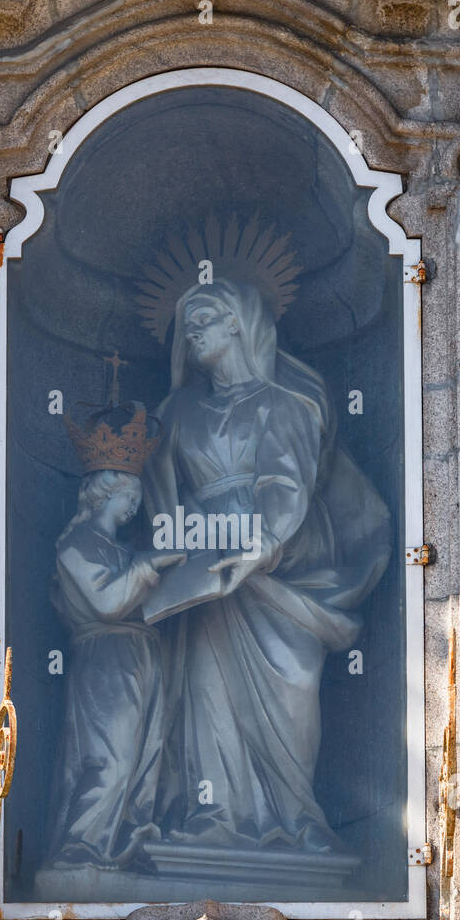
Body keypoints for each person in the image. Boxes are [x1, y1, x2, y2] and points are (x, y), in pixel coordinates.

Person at [142, 279, 390, 852]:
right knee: (206, 692)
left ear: (240, 323)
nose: (192, 332)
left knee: (292, 690)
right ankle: (216, 817)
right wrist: (172, 548)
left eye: (204, 318)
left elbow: (288, 485)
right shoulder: (177, 410)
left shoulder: (283, 405)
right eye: (188, 324)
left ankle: (298, 815)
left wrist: (264, 543)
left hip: (275, 567)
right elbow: (157, 494)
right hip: (204, 569)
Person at [48, 466, 184, 867]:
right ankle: (82, 845)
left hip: (145, 656)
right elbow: (108, 602)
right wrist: (152, 564)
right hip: (107, 657)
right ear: (104, 494)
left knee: (148, 755)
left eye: (138, 500)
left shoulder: (123, 550)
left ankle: (127, 842)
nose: (135, 507)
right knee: (113, 756)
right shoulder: (75, 545)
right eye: (130, 497)